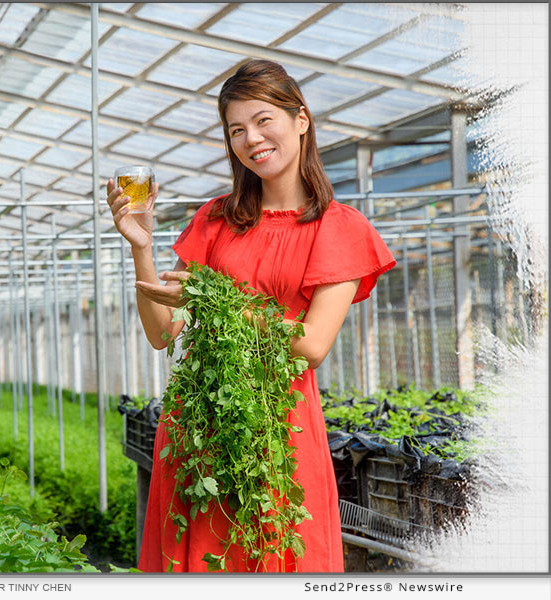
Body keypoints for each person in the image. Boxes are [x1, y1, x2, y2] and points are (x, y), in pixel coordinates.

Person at [105, 59, 396, 573]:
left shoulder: (338, 227)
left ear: (301, 119)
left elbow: (310, 344)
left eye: (264, 120)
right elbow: (160, 332)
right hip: (200, 429)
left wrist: (216, 301)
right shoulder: (216, 220)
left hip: (281, 430)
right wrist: (142, 249)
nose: (251, 139)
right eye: (236, 129)